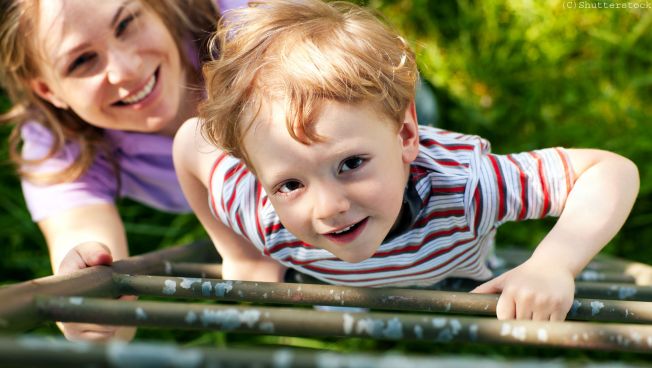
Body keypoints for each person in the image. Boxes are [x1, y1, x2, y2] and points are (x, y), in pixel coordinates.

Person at [175, 0, 640, 322]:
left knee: (382, 114)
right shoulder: (263, 214)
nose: (328, 207)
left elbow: (608, 171)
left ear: (405, 134)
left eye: (350, 164)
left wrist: (553, 264)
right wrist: (240, 252)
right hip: (349, 291)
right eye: (291, 184)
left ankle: (419, 107)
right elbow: (191, 140)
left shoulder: (467, 189)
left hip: (450, 271)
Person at [0, 0, 250, 341]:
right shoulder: (59, 143)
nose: (126, 69)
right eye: (82, 60)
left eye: (126, 23)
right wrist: (90, 305)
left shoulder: (249, 23)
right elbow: (83, 239)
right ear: (47, 90)